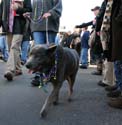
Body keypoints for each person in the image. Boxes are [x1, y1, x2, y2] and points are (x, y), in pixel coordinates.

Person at [30, 0, 62, 86]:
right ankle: (38, 75)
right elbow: (32, 9)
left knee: (49, 53)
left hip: (50, 25)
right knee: (38, 52)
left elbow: (58, 7)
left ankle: (50, 74)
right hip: (36, 26)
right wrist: (28, 13)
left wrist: (51, 13)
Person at [0, 0, 32, 81]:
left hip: (20, 26)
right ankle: (18, 69)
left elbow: (29, 10)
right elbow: (0, 13)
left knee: (14, 47)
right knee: (13, 48)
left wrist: (18, 9)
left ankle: (10, 70)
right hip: (8, 27)